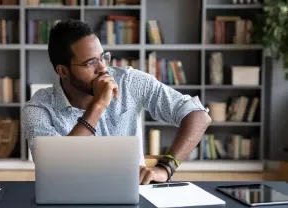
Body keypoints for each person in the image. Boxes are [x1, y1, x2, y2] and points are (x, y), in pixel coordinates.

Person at [22, 19, 211, 185]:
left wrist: (167, 167)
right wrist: (98, 105)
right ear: (63, 71)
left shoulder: (128, 81)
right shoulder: (38, 109)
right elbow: (53, 169)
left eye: (103, 57)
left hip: (133, 194)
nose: (103, 68)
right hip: (72, 199)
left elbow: (199, 115)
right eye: (90, 63)